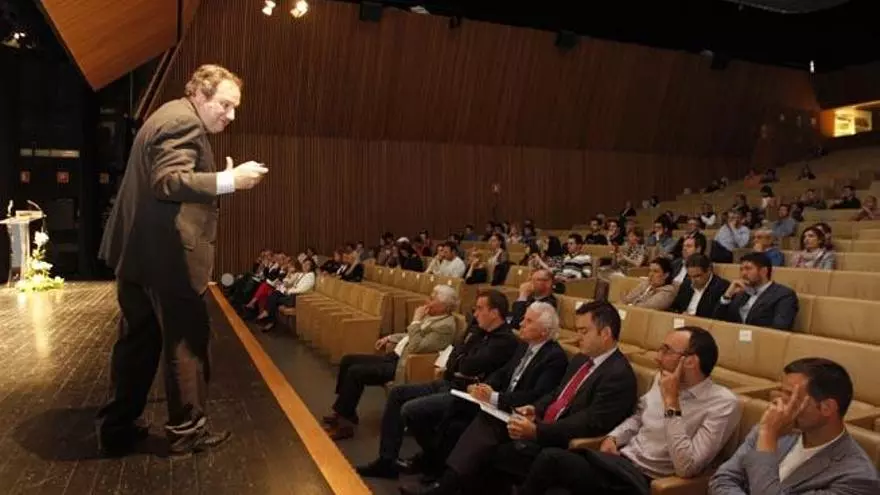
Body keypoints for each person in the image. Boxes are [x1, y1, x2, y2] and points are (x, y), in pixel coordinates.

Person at [96, 64, 268, 457]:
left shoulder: (167, 113)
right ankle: (187, 432)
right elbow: (168, 181)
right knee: (187, 345)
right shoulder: (183, 123)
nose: (231, 115)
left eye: (235, 107)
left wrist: (214, 179)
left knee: (137, 345)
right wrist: (229, 181)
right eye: (225, 105)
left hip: (139, 257)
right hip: (168, 259)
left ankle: (117, 427)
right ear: (200, 95)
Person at [710, 358, 880, 494]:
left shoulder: (856, 478)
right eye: (781, 393)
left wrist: (768, 437)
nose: (780, 404)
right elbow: (722, 479)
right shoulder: (778, 428)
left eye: (791, 396)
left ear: (827, 407)